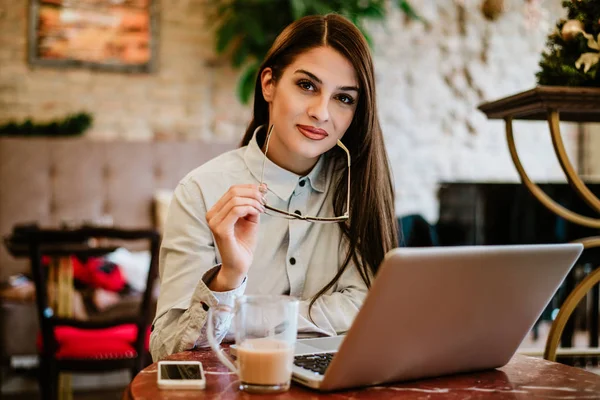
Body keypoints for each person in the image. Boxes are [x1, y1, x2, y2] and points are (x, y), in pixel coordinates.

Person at [150, 13, 398, 361]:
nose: (321, 113)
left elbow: (370, 309)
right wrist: (229, 278)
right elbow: (167, 349)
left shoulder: (360, 189)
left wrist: (254, 317)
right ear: (269, 84)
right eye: (307, 85)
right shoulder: (200, 190)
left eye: (344, 98)